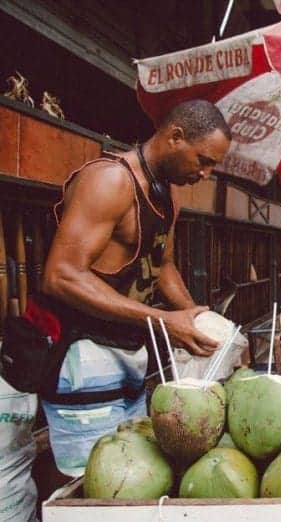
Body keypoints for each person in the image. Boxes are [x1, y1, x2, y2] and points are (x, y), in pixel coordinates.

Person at [37, 99, 231, 476]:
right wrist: (162, 320)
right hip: (82, 355)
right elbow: (60, 275)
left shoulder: (167, 194)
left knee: (134, 477)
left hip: (130, 354)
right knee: (96, 486)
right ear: (175, 137)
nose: (206, 174)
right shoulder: (110, 180)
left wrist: (194, 316)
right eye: (203, 160)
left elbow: (162, 266)